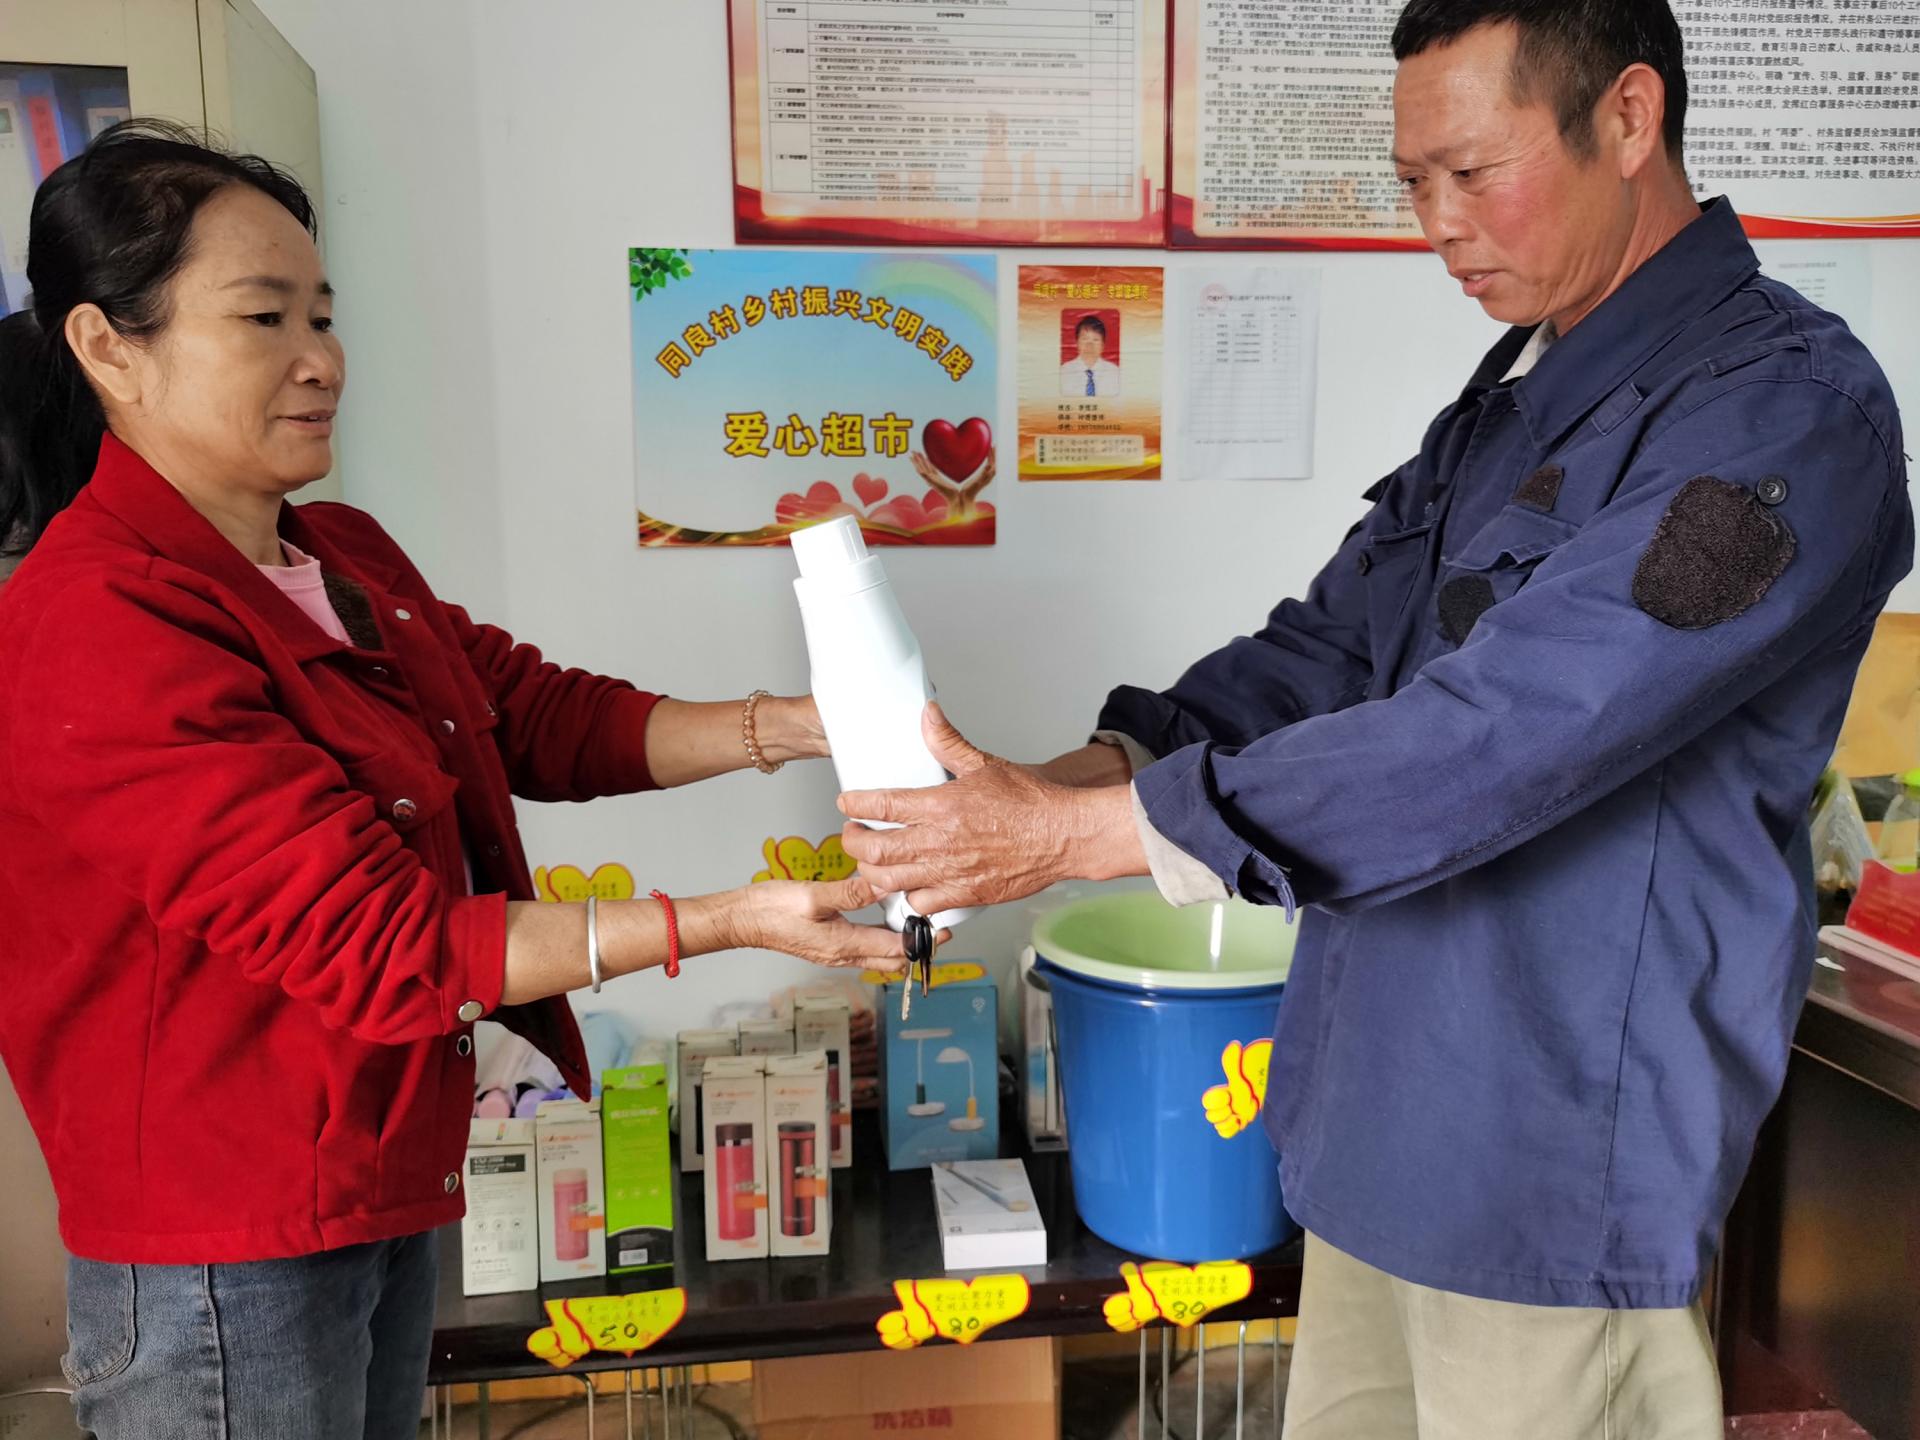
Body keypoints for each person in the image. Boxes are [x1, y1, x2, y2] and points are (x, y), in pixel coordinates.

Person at [838, 3, 1912, 1435]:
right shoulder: (1515, 402)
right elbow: (1329, 648)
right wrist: (1034, 793)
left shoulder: (1785, 416)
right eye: (1414, 184)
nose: (1440, 226)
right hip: (1376, 1134)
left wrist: (1072, 841)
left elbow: (1504, 733)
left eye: (1472, 172)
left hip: (1551, 1178)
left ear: (1628, 117)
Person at [0, 122, 905, 1440]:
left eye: (322, 315)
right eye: (264, 317)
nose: (322, 359)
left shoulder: (339, 551)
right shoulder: (100, 619)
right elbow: (389, 942)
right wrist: (731, 920)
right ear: (107, 346)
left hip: (381, 1177)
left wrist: (811, 723)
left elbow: (529, 717)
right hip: (224, 1249)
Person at [1058, 313, 1121, 397]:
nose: (1090, 344)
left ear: (1103, 345)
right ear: (1077, 343)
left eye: (1095, 340)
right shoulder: (1062, 372)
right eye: (1085, 339)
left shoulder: (1115, 373)